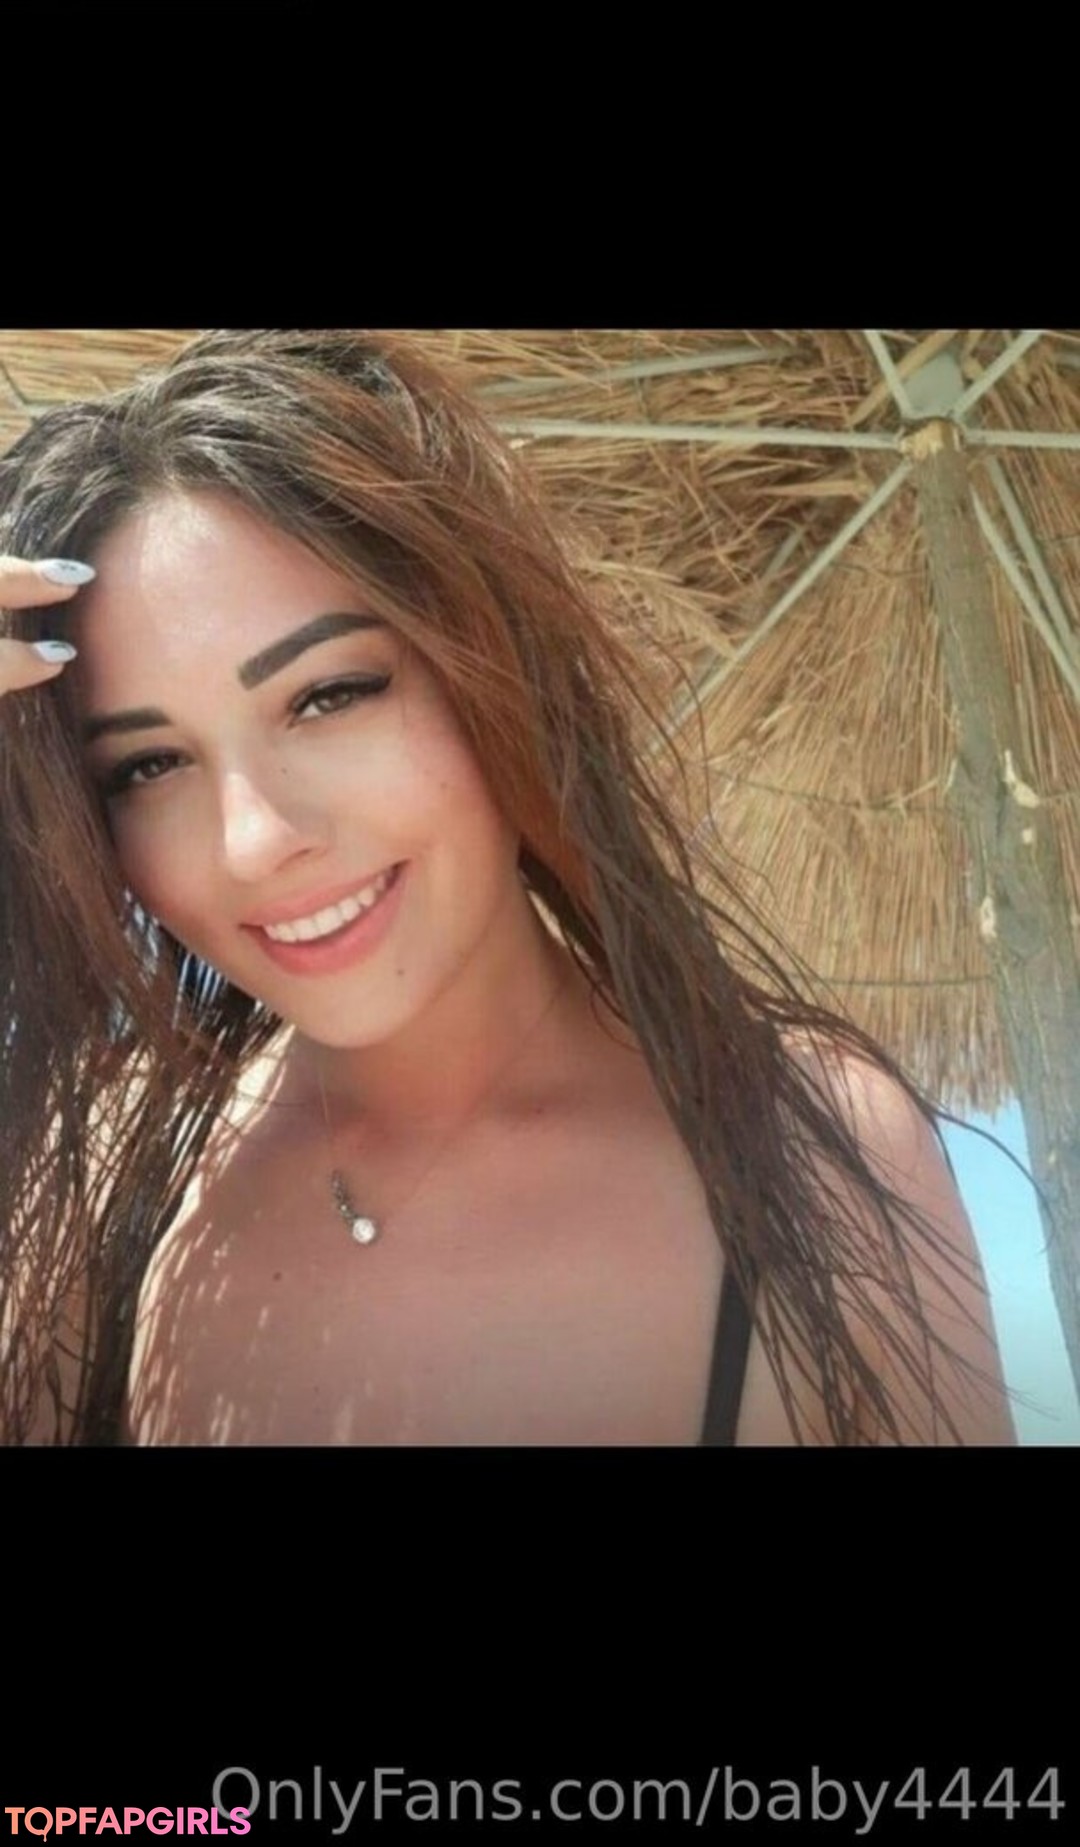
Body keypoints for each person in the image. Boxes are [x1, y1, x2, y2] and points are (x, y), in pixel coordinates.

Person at [0, 329, 1015, 1447]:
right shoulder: (95, 1191)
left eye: (328, 695)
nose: (253, 842)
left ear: (492, 661)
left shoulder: (814, 1160)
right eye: (148, 765)